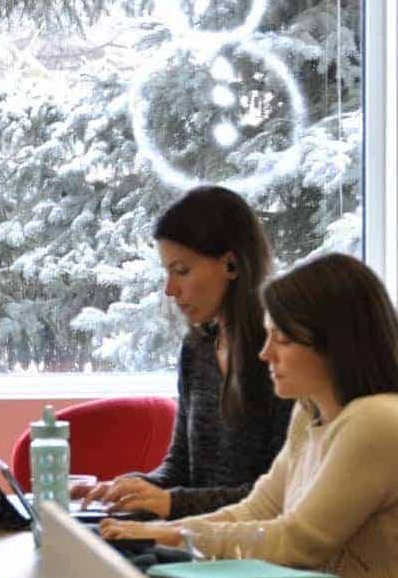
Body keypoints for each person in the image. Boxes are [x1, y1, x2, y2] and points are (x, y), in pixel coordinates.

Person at [100, 253, 398, 578]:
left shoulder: (381, 420)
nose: (265, 354)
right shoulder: (310, 408)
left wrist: (173, 535)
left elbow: (297, 543)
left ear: (334, 344)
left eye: (282, 339)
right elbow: (259, 508)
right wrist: (161, 532)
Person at [86, 185, 292, 519]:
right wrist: (124, 490)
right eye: (167, 272)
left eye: (182, 271)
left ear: (232, 265)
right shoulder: (198, 349)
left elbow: (278, 498)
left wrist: (172, 503)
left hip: (249, 550)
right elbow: (180, 469)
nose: (170, 290)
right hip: (197, 541)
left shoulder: (284, 357)